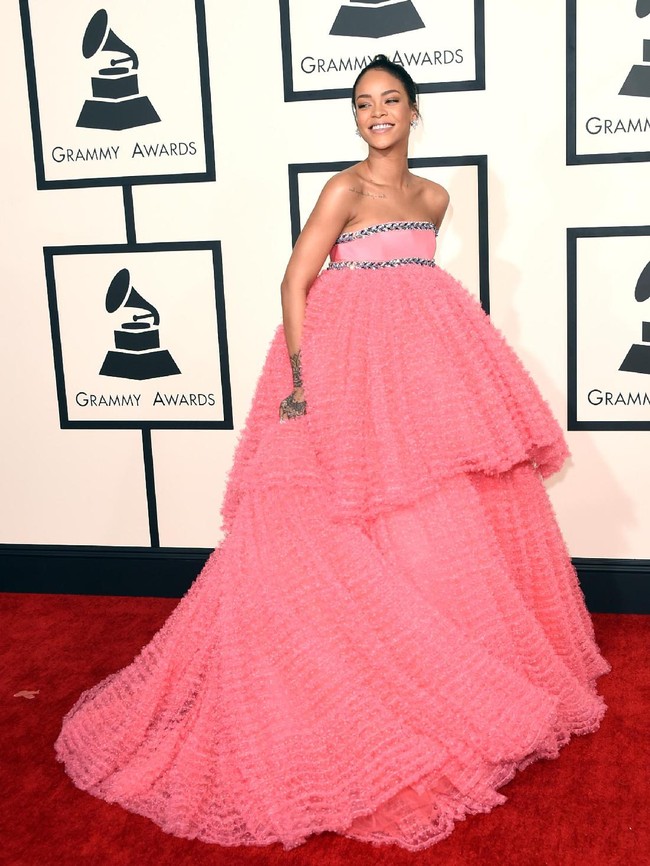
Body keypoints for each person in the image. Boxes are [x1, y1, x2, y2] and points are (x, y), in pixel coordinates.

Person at [55, 55, 611, 852]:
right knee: (332, 514)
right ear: (354, 116)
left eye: (389, 101)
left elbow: (414, 288)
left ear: (414, 112)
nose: (376, 113)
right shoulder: (343, 190)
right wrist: (306, 380)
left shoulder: (435, 196)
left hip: (420, 370)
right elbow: (295, 282)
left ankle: (447, 659)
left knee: (437, 502)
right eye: (362, 103)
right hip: (343, 368)